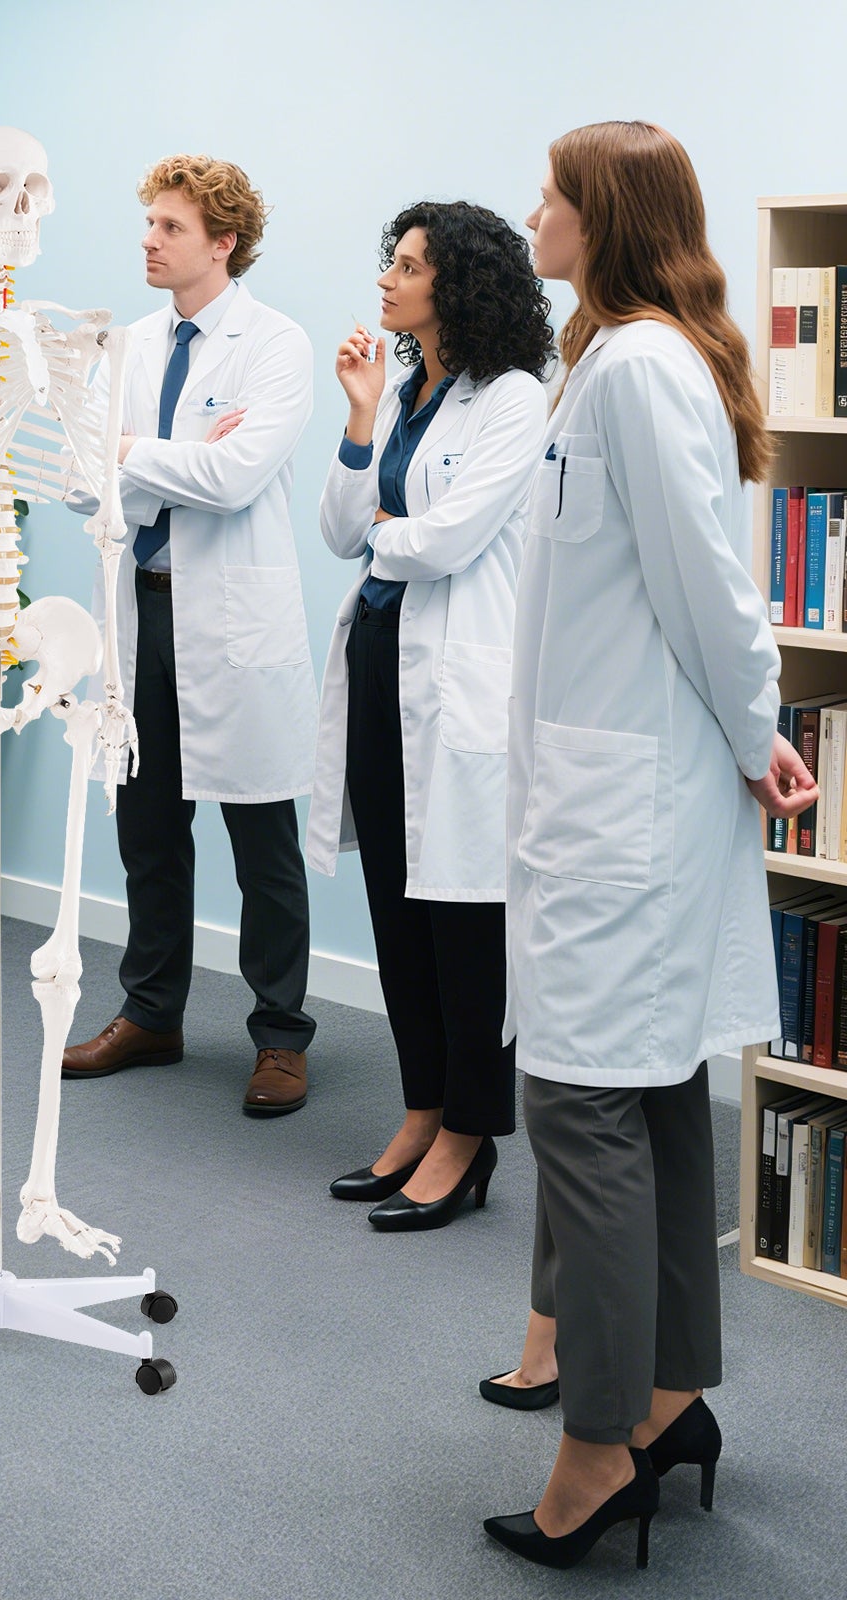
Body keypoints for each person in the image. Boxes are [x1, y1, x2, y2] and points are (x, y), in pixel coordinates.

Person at [482, 122, 816, 1569]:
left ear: (602, 218)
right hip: (610, 794)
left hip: (623, 812)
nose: (534, 210)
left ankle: (597, 1442)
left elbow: (712, 590)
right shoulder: (608, 363)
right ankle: (671, 1398)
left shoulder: (638, 371)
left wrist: (759, 731)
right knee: (652, 1096)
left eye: (553, 193)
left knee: (583, 1113)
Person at [305, 203, 552, 1230]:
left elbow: (447, 541)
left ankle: (470, 1133)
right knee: (396, 912)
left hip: (456, 687)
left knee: (463, 921)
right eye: (391, 262)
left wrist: (388, 533)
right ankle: (418, 1108)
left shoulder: (513, 399)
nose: (388, 279)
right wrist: (360, 417)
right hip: (376, 667)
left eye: (407, 266)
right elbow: (337, 529)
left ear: (458, 286)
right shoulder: (400, 389)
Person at [62, 154, 319, 1115]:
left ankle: (281, 1035)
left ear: (223, 242)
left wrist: (133, 454)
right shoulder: (126, 344)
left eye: (170, 228)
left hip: (232, 620)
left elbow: (238, 478)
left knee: (263, 838)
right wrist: (164, 458)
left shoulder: (276, 345)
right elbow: (82, 479)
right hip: (142, 607)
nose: (149, 241)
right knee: (149, 829)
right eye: (149, 224)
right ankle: (152, 1013)